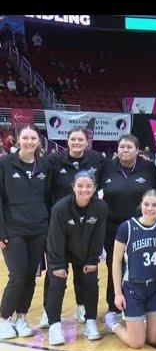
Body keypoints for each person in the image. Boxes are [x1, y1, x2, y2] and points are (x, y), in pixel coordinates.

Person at [39, 127, 105, 329]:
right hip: (59, 222)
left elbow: (104, 178)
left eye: (81, 139)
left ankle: (81, 307)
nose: (77, 143)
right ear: (67, 141)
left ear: (87, 142)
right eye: (73, 139)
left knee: (82, 272)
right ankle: (48, 312)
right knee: (55, 273)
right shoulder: (53, 161)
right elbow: (45, 189)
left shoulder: (96, 160)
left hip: (85, 222)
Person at [100, 134, 156, 329]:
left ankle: (147, 306)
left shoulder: (149, 168)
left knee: (142, 266)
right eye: (122, 147)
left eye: (129, 147)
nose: (125, 150)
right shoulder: (106, 167)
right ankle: (113, 308)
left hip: (143, 226)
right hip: (114, 227)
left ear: (137, 150)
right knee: (113, 265)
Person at [0, 125, 51, 340]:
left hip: (38, 229)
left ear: (39, 142)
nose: (29, 141)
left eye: (33, 138)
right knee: (17, 275)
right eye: (25, 138)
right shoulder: (4, 164)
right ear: (18, 140)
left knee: (31, 276)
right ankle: (3, 320)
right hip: (13, 230)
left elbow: (48, 198)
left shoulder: (44, 166)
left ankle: (21, 318)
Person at [44, 172, 107, 345]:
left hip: (85, 251)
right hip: (61, 252)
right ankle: (54, 325)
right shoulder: (60, 208)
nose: (84, 189)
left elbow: (98, 236)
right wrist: (57, 264)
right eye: (80, 186)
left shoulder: (100, 207)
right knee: (56, 284)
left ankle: (90, 321)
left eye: (88, 186)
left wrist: (92, 260)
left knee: (90, 282)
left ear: (94, 188)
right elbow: (55, 238)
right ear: (73, 187)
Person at [107, 190, 156, 349]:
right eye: (146, 204)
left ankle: (139, 325)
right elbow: (116, 262)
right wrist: (118, 294)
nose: (150, 208)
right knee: (137, 342)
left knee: (154, 339)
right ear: (141, 205)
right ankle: (113, 324)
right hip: (133, 287)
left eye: (155, 205)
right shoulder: (126, 227)